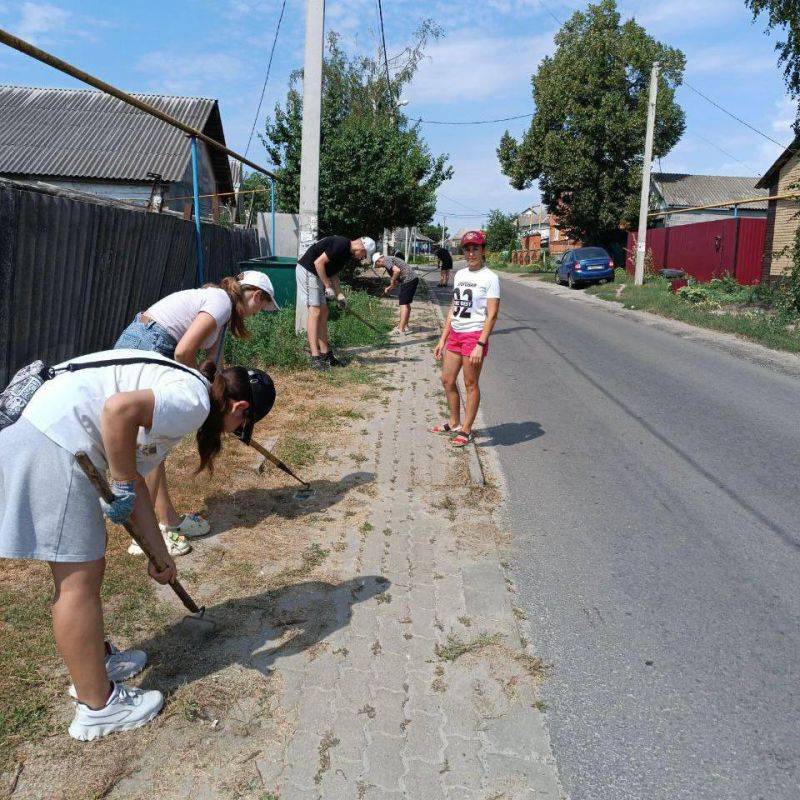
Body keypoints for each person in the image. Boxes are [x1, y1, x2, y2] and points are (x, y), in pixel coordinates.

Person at [0, 349, 275, 740]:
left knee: (82, 572)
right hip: (53, 442)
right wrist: (123, 484)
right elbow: (117, 412)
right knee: (78, 579)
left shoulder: (184, 385)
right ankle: (98, 705)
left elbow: (136, 474)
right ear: (240, 408)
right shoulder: (194, 401)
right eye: (240, 426)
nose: (231, 433)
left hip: (43, 432)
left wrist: (159, 553)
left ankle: (94, 662)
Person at [114, 271, 279, 554]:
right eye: (260, 308)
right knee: (153, 444)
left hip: (153, 345)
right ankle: (144, 535)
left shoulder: (223, 312)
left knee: (158, 445)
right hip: (148, 346)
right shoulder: (220, 302)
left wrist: (218, 394)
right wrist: (198, 387)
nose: (255, 315)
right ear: (256, 295)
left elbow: (213, 365)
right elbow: (183, 352)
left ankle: (167, 520)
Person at [432, 231, 500, 447]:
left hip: (474, 336)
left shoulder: (490, 278)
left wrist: (481, 343)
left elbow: (492, 314)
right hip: (455, 334)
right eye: (467, 249)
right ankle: (453, 422)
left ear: (483, 251)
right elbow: (455, 306)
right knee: (447, 380)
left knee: (470, 383)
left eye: (475, 248)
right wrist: (443, 338)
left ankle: (466, 429)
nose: (471, 253)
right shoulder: (460, 275)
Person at [296, 235, 376, 370]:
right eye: (364, 255)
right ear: (362, 248)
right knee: (315, 311)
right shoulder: (342, 244)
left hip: (316, 274)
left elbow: (333, 273)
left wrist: (339, 294)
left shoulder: (346, 253)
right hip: (308, 270)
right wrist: (327, 286)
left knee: (324, 311)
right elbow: (318, 263)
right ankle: (315, 357)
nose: (362, 258)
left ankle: (326, 353)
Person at [373, 252, 419, 335]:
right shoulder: (389, 262)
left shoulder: (386, 260)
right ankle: (405, 326)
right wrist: (389, 288)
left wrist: (391, 281)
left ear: (378, 261)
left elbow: (397, 271)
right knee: (406, 304)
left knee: (403, 304)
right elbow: (396, 281)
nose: (378, 266)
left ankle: (400, 330)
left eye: (377, 265)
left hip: (408, 279)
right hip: (412, 279)